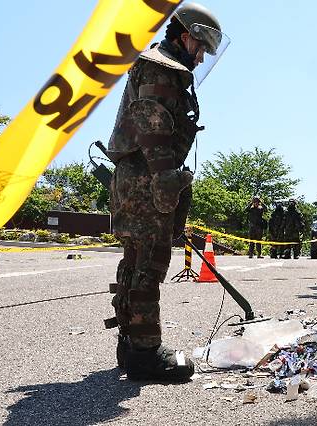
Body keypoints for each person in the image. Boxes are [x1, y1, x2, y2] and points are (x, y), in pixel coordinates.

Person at [103, 3, 230, 382]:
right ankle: (145, 353)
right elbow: (152, 124)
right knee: (149, 263)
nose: (201, 54)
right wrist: (166, 179)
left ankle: (131, 342)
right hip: (147, 176)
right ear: (184, 34)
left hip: (136, 175)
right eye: (200, 45)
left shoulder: (158, 64)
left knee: (135, 261)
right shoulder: (163, 66)